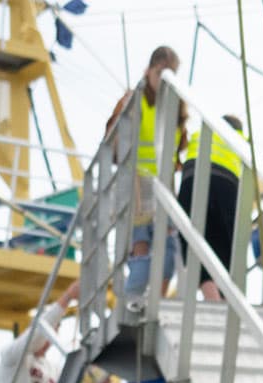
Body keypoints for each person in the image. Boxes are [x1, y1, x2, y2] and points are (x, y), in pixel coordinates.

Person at [106, 46, 185, 304]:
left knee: (169, 248)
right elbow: (112, 138)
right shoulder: (135, 99)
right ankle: (132, 302)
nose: (163, 79)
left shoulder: (176, 109)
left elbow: (178, 149)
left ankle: (156, 303)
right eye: (160, 72)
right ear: (149, 71)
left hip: (163, 186)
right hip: (136, 183)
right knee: (140, 247)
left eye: (170, 73)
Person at [176, 113, 247, 303]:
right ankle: (223, 300)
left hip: (193, 179)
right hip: (226, 185)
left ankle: (212, 297)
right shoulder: (242, 140)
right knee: (225, 245)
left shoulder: (201, 133)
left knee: (192, 241)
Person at [0, 281, 82, 383]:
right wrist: (67, 297)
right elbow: (36, 336)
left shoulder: (54, 369)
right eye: (50, 329)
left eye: (55, 330)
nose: (51, 336)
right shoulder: (11, 356)